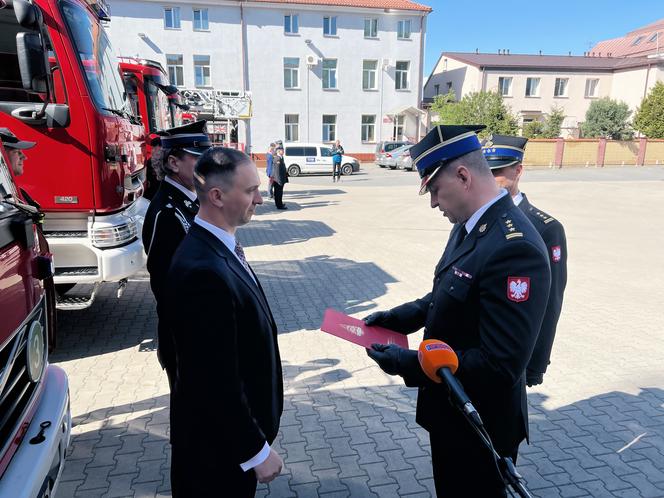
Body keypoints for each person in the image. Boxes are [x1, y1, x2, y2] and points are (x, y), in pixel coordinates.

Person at [364, 125, 551, 497]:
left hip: (481, 422)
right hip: (452, 412)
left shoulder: (514, 246)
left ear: (463, 176)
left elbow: (501, 364)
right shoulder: (470, 225)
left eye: (434, 189)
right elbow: (449, 294)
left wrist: (408, 362)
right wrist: (400, 317)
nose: (433, 202)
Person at [166, 147, 284, 496]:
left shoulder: (218, 247)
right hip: (217, 454)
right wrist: (254, 450)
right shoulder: (202, 270)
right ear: (216, 196)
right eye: (250, 191)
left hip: (224, 445)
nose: (261, 199)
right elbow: (212, 378)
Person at [483, 135, 567, 387]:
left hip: (514, 354)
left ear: (518, 171)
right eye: (485, 172)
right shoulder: (475, 216)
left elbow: (551, 302)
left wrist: (537, 363)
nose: (491, 179)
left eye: (497, 171)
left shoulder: (545, 228)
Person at [142, 120, 211, 388]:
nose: (208, 167)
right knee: (192, 419)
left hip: (200, 332)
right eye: (199, 159)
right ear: (173, 163)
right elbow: (165, 285)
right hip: (187, 337)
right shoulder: (167, 212)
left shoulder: (192, 201)